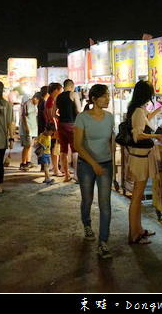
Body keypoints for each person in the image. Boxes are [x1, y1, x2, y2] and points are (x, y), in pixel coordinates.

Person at [73, 84, 115, 259]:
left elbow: (111, 140)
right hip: (86, 165)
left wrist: (111, 160)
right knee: (87, 199)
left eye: (108, 95)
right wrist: (93, 164)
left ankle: (103, 242)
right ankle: (87, 224)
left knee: (105, 204)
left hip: (105, 164)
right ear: (94, 99)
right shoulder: (82, 118)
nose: (107, 99)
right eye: (104, 96)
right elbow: (77, 145)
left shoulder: (110, 117)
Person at [126, 80, 162, 245]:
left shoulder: (139, 110)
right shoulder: (137, 111)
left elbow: (143, 121)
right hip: (140, 159)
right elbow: (138, 135)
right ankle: (133, 235)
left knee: (138, 196)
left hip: (141, 157)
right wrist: (156, 136)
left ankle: (139, 230)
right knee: (136, 197)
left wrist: (157, 110)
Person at [56, 79, 82, 182]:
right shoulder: (73, 94)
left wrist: (61, 117)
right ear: (72, 86)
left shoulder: (58, 97)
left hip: (61, 125)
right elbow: (79, 110)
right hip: (72, 124)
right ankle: (76, 174)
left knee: (63, 150)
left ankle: (66, 175)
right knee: (75, 150)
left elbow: (54, 113)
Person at [45, 82, 64, 177]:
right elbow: (51, 116)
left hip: (54, 127)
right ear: (56, 90)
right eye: (60, 90)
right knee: (55, 149)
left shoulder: (52, 100)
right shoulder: (51, 101)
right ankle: (56, 170)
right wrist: (56, 129)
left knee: (57, 149)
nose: (61, 92)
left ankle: (59, 168)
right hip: (53, 128)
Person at [19, 92, 41, 170]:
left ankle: (28, 161)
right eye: (38, 100)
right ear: (35, 98)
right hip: (27, 129)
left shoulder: (35, 105)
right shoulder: (27, 104)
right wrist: (26, 128)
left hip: (33, 129)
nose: (38, 102)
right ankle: (23, 163)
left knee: (30, 145)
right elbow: (24, 116)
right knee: (26, 146)